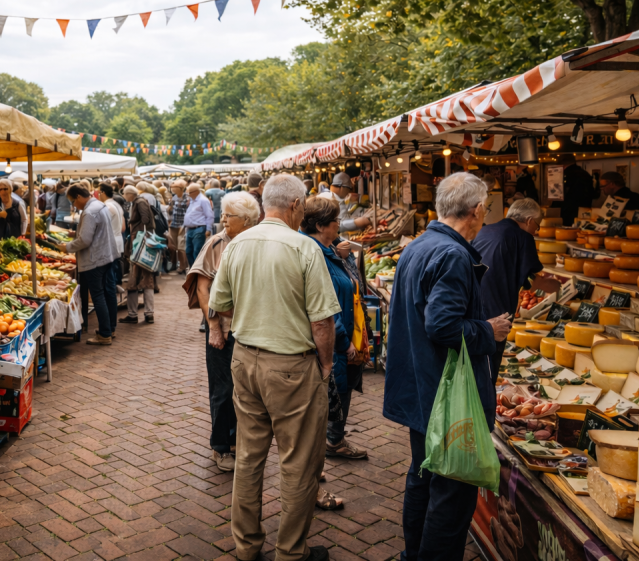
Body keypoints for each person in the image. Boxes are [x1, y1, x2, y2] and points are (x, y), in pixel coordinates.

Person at [210, 174, 340, 561]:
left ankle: (247, 545)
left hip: (245, 359)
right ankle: (290, 551)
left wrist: (253, 315)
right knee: (299, 462)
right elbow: (322, 321)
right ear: (296, 205)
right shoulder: (304, 247)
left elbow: (220, 305)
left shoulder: (237, 243)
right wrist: (326, 364)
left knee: (249, 457)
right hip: (291, 366)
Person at [384, 173, 511, 561]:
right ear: (477, 210)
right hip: (446, 395)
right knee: (452, 492)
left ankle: (413, 554)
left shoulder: (419, 245)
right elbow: (441, 325)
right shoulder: (453, 254)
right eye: (485, 209)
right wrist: (488, 331)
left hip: (422, 387)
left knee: (423, 477)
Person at [184, 191, 261, 473]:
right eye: (224, 214)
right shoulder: (216, 243)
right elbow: (202, 287)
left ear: (248, 220)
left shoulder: (256, 242)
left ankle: (239, 441)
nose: (224, 219)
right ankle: (220, 446)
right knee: (223, 388)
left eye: (230, 215)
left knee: (246, 388)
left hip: (249, 327)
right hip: (223, 327)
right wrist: (214, 326)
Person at [301, 196, 370, 465]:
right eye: (335, 222)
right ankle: (325, 448)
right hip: (334, 340)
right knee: (331, 394)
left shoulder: (328, 249)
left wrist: (343, 254)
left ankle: (334, 440)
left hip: (344, 335)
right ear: (320, 226)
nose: (339, 226)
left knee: (343, 388)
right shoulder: (314, 254)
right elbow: (324, 307)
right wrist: (343, 341)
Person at [473, 198, 544, 385]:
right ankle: (485, 402)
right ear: (529, 220)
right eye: (537, 226)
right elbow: (534, 279)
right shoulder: (523, 237)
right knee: (490, 369)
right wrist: (555, 287)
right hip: (497, 312)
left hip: (473, 307)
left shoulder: (485, 230)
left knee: (475, 368)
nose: (536, 231)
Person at [62, 185, 119, 345]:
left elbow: (85, 240)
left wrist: (67, 247)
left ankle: (105, 334)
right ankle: (110, 329)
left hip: (95, 259)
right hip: (106, 256)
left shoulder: (89, 212)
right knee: (107, 294)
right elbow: (95, 232)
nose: (74, 205)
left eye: (73, 202)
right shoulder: (100, 205)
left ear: (79, 197)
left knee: (98, 295)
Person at [120, 185, 156, 324]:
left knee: (135, 279)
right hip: (143, 244)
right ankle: (147, 313)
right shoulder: (140, 201)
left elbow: (146, 220)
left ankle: (134, 314)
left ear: (130, 194)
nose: (124, 196)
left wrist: (137, 231)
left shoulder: (139, 202)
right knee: (146, 279)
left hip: (140, 244)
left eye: (125, 194)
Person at [560, 154, 597, 226]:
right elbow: (592, 193)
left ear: (562, 165)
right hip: (584, 211)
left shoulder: (564, 175)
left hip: (567, 213)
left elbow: (560, 195)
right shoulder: (585, 174)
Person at [183, 183, 214, 268]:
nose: (188, 194)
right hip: (190, 229)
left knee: (197, 251)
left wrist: (208, 229)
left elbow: (209, 215)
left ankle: (197, 270)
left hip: (199, 228)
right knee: (188, 251)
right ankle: (193, 269)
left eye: (189, 193)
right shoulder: (192, 200)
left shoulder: (203, 200)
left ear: (196, 192)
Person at [167, 181, 190, 274]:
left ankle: (183, 266)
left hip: (183, 225)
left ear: (181, 188)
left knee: (181, 247)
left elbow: (188, 212)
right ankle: (177, 265)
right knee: (174, 246)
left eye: (174, 187)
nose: (172, 188)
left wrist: (185, 224)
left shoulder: (187, 197)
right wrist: (169, 221)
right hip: (173, 224)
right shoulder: (174, 197)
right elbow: (170, 210)